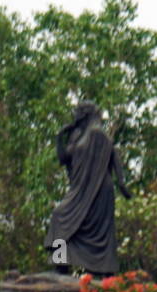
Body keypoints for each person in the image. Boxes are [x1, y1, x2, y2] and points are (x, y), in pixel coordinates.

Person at [44, 101, 133, 277]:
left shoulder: (98, 133)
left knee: (63, 217)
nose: (74, 115)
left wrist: (122, 183)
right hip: (81, 188)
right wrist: (60, 137)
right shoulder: (79, 135)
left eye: (77, 112)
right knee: (59, 217)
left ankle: (100, 272)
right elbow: (64, 158)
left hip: (97, 189)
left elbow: (113, 155)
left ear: (85, 113)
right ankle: (60, 265)